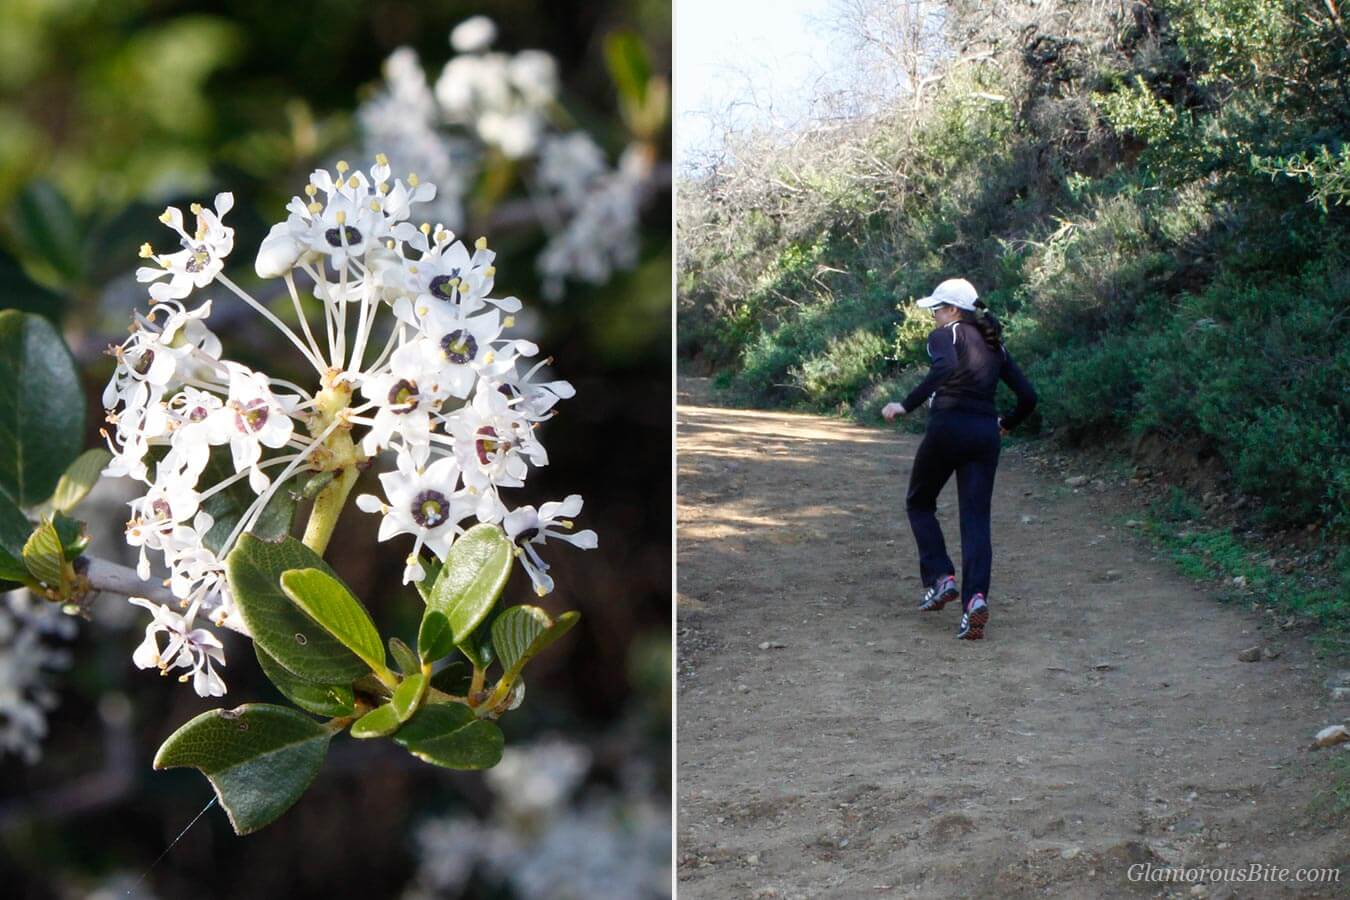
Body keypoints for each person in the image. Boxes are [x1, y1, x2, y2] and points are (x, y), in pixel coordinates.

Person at [881, 278, 1037, 640]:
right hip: (985, 435)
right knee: (975, 519)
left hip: (948, 428)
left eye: (936, 309)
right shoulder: (996, 346)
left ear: (952, 310)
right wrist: (1005, 424)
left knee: (919, 501)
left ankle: (941, 577)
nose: (933, 316)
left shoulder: (946, 335)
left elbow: (945, 367)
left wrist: (905, 405)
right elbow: (1029, 396)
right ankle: (975, 601)